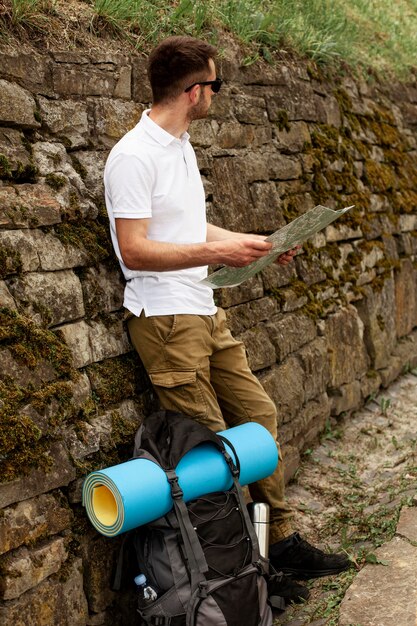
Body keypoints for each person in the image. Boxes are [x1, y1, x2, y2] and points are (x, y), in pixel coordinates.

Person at [104, 35, 350, 590]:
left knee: (258, 420)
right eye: (216, 85)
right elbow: (134, 250)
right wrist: (218, 252)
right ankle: (249, 573)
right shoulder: (133, 156)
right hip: (166, 323)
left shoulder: (181, 145)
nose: (218, 94)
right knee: (216, 455)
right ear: (194, 92)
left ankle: (279, 542)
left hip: (203, 310)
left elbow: (190, 231)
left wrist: (256, 243)